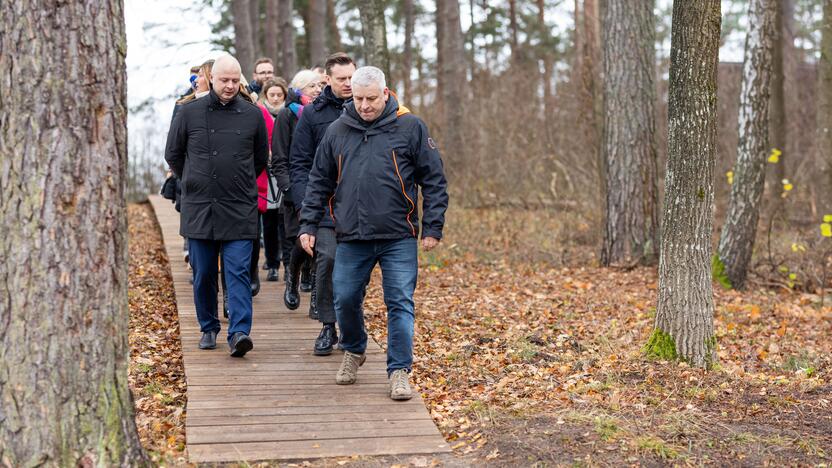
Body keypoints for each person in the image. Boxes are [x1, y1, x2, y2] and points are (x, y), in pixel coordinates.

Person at [298, 66, 448, 400]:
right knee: (345, 298)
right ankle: (354, 349)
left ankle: (399, 371)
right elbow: (318, 181)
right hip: (351, 234)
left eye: (371, 99)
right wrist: (308, 224)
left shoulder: (410, 127)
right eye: (359, 98)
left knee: (400, 303)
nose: (364, 106)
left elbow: (434, 179)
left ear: (385, 93)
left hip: (398, 235)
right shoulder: (337, 131)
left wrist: (433, 226)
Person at [165, 55, 269, 357]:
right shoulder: (189, 112)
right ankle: (208, 327)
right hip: (200, 206)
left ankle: (239, 333)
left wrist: (239, 180)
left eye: (235, 81)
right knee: (204, 272)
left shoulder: (252, 115)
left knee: (237, 272)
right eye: (225, 80)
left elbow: (260, 158)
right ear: (212, 79)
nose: (230, 86)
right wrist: (193, 180)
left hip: (239, 206)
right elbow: (173, 154)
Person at [289, 53, 355, 355]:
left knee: (352, 268)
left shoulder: (365, 108)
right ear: (327, 79)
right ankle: (328, 326)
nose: (348, 84)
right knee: (327, 260)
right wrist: (305, 207)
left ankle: (350, 324)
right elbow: (299, 163)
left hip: (360, 206)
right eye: (341, 79)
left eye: (351, 77)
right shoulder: (312, 114)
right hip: (324, 205)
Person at [270, 69, 322, 311]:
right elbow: (279, 157)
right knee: (301, 243)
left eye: (319, 85)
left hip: (321, 187)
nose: (318, 89)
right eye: (312, 86)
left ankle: (316, 299)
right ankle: (293, 276)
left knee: (322, 243)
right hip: (296, 188)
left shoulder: (321, 113)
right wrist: (288, 186)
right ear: (300, 89)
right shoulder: (287, 116)